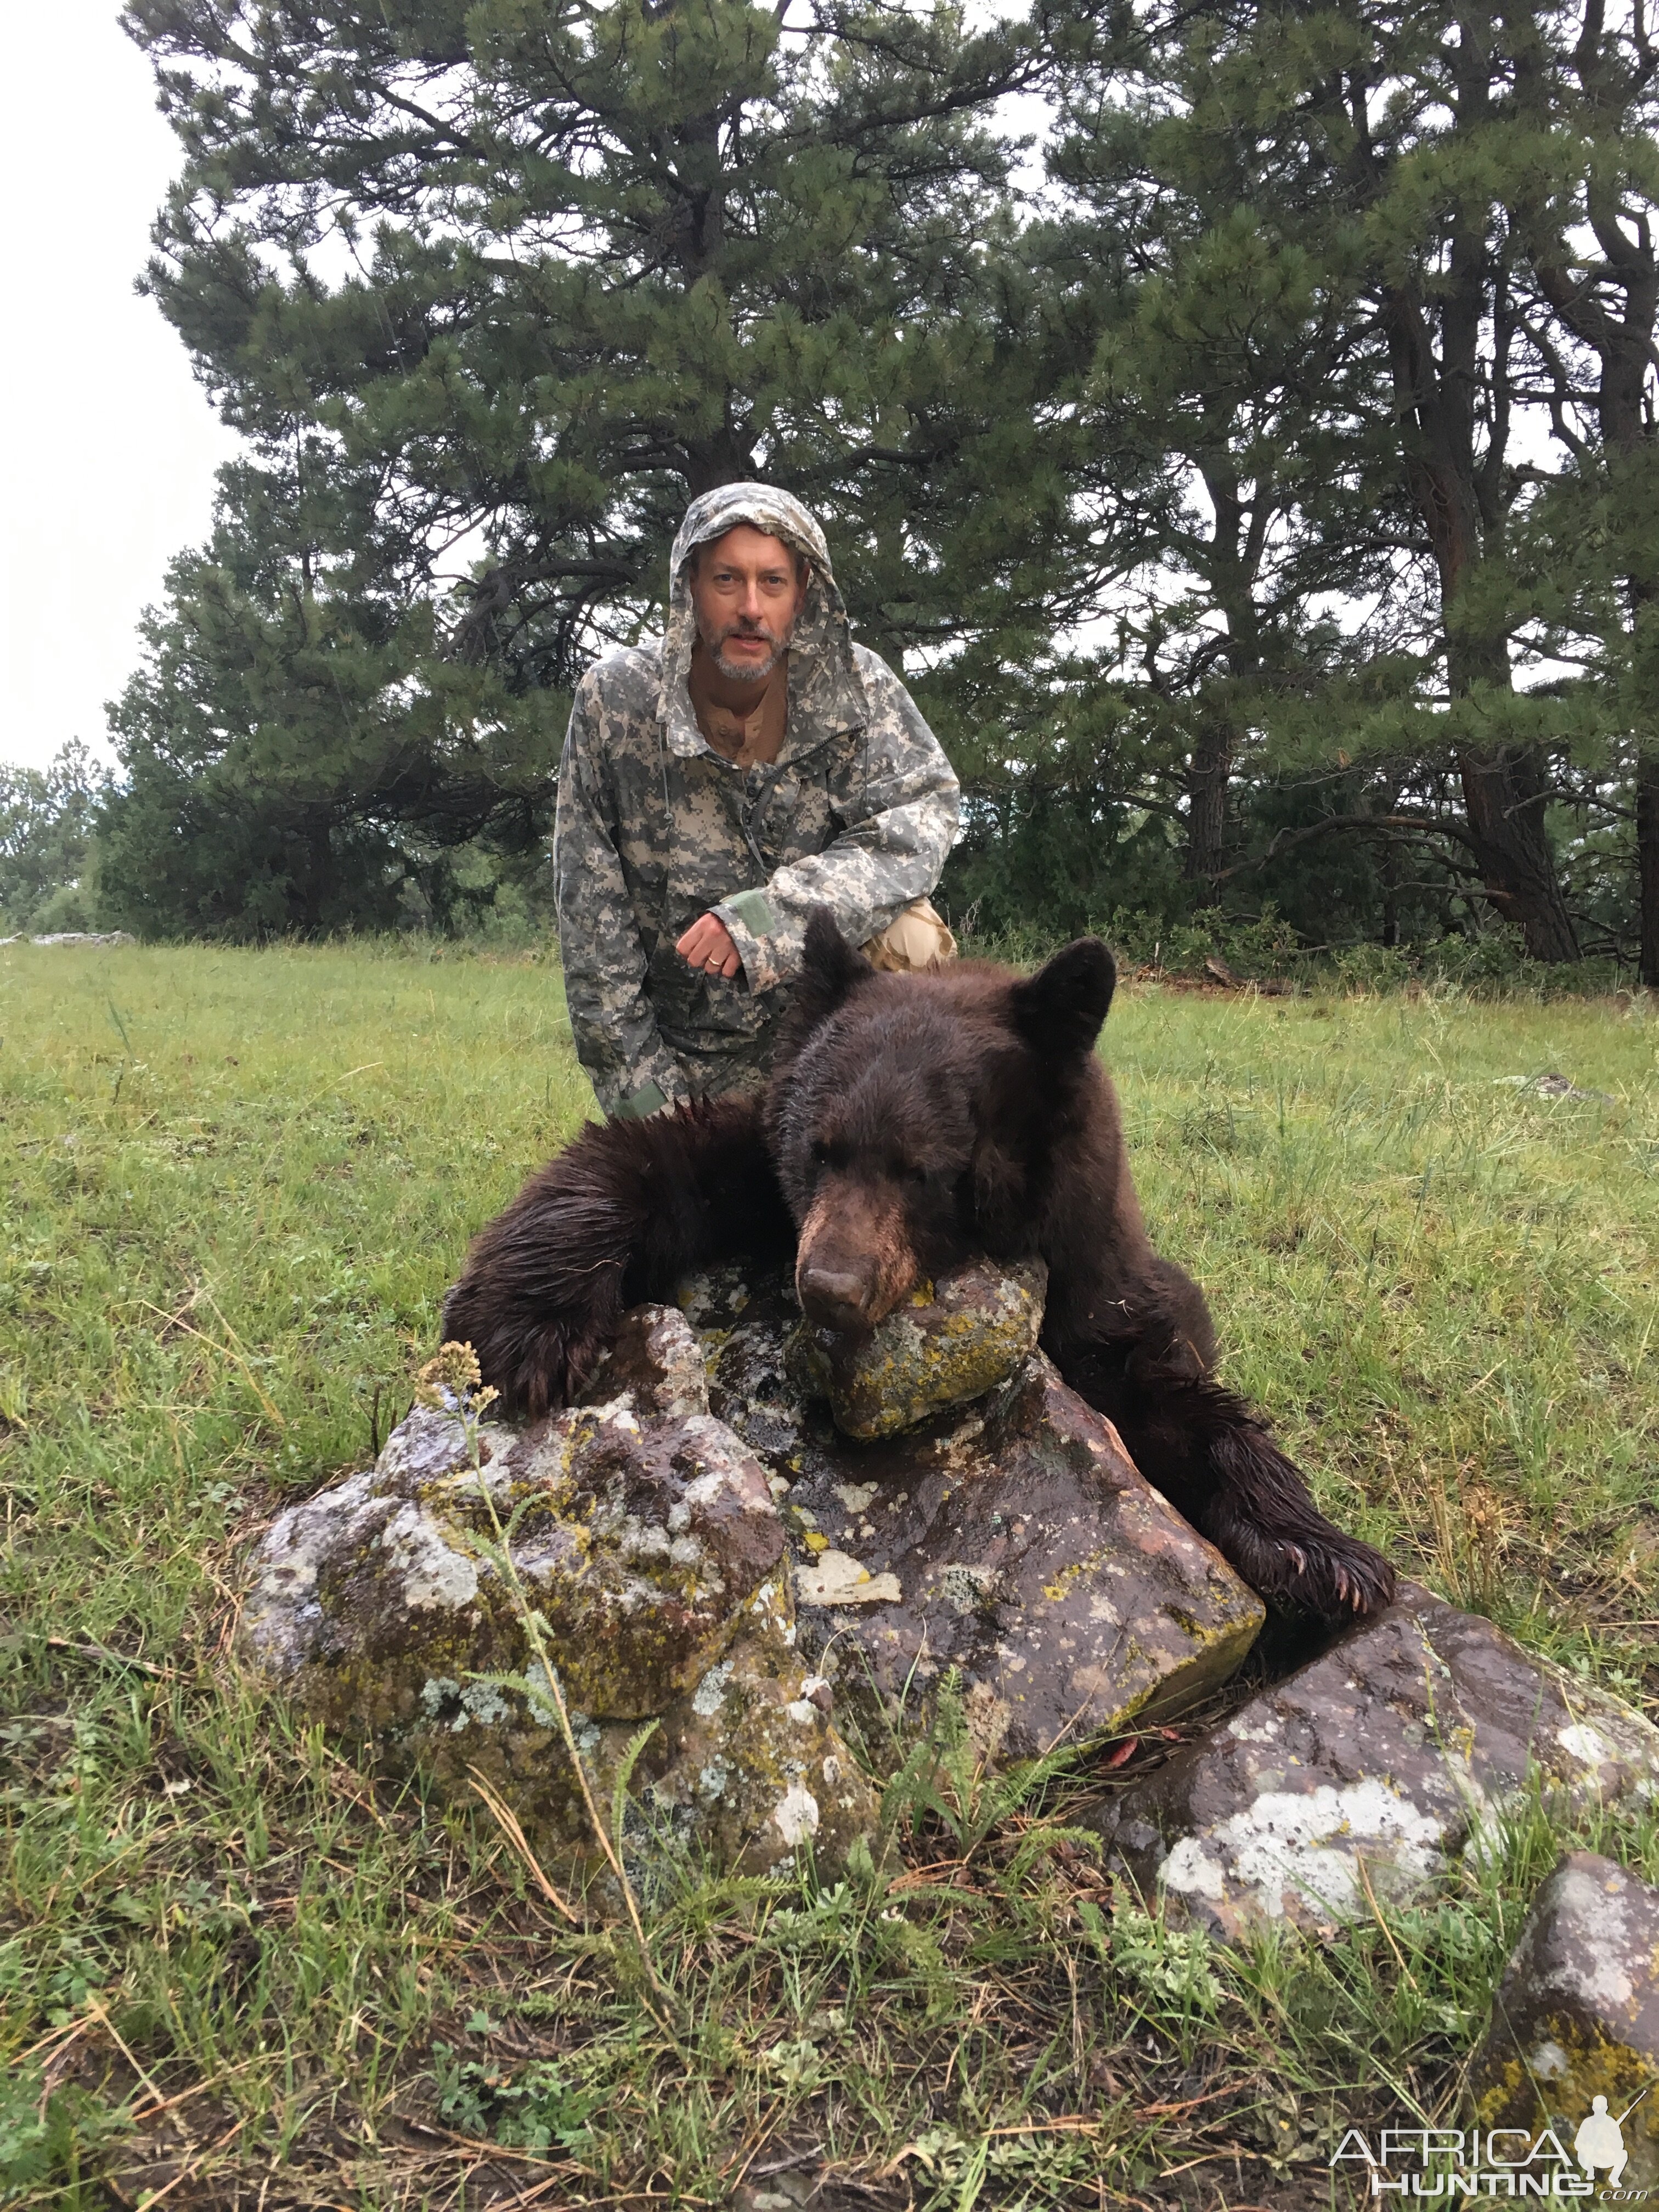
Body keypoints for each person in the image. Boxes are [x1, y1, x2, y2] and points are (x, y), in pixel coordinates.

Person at [552, 483, 961, 1119]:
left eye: (772, 582)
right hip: (688, 1052)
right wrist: (650, 1113)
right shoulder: (614, 703)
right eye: (726, 580)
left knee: (914, 940)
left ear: (803, 591)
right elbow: (594, 942)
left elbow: (920, 819)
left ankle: (889, 1134)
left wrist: (765, 920)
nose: (750, 607)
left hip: (832, 1038)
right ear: (689, 585)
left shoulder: (857, 687)